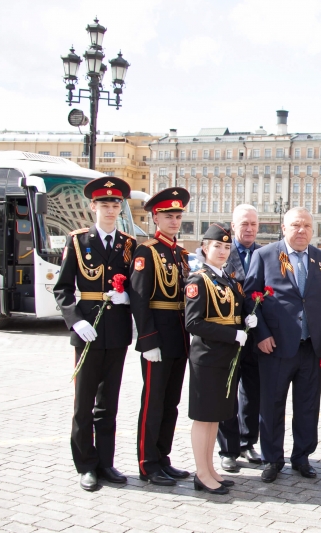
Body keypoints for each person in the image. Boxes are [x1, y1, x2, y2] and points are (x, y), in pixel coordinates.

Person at [244, 207, 321, 483]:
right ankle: (272, 459)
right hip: (275, 347)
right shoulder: (264, 255)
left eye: (307, 226)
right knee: (272, 406)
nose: (302, 231)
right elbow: (250, 299)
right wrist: (261, 334)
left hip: (311, 348)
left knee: (307, 406)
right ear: (284, 227)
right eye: (296, 225)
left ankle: (302, 457)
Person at [53, 177, 137, 491]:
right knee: (83, 403)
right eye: (105, 204)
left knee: (108, 403)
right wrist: (75, 320)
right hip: (88, 329)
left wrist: (127, 296)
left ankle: (106, 462)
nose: (111, 209)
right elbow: (62, 288)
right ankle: (86, 465)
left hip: (115, 332)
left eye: (116, 204)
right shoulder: (77, 241)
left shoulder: (128, 244)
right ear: (93, 206)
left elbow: (134, 285)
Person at [129, 187, 192, 486]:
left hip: (179, 338)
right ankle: (147, 463)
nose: (174, 221)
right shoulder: (147, 251)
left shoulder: (180, 254)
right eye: (169, 216)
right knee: (153, 403)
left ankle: (163, 458)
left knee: (171, 403)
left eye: (178, 216)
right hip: (158, 339)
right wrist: (148, 340)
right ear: (156, 217)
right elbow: (140, 299)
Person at [184, 223, 248, 495]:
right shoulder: (198, 280)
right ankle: (201, 472)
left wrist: (246, 320)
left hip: (225, 359)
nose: (222, 251)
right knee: (203, 417)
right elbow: (193, 323)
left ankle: (210, 469)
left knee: (215, 418)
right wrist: (232, 334)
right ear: (204, 248)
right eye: (216, 246)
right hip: (208, 358)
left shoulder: (229, 280)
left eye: (226, 247)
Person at [215, 204, 263, 472]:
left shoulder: (264, 253)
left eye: (254, 224)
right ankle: (228, 449)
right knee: (228, 394)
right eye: (244, 224)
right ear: (233, 226)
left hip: (255, 337)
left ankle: (248, 442)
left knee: (252, 394)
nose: (249, 229)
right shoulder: (223, 251)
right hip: (228, 335)